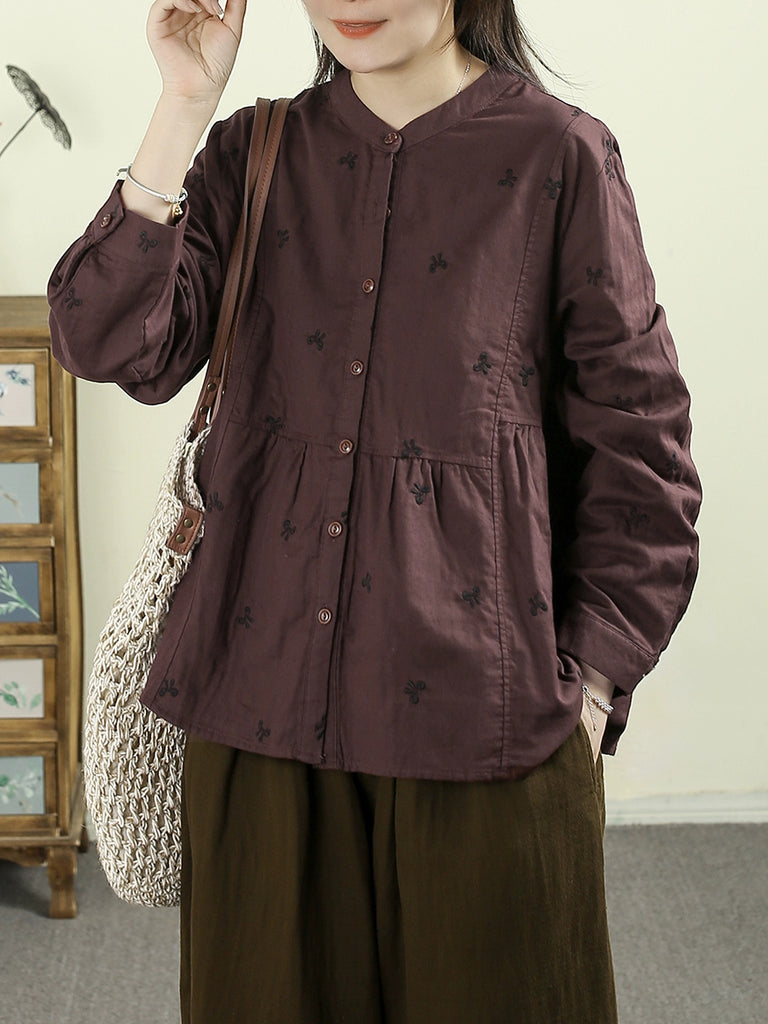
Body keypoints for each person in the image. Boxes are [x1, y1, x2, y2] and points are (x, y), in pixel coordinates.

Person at [48, 1, 702, 1021]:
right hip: (259, 723)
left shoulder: (559, 158)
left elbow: (641, 442)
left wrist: (592, 682)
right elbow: (106, 342)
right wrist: (182, 104)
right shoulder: (250, 152)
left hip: (484, 731)